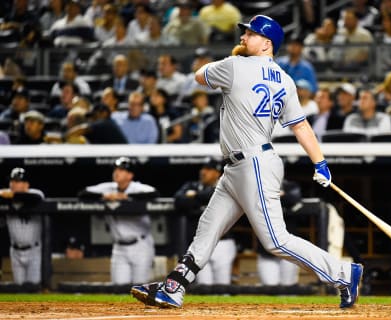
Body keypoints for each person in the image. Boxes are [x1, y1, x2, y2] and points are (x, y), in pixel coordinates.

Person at [131, 14, 362, 309]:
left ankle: (343, 273)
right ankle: (175, 286)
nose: (242, 38)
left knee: (276, 240)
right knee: (209, 226)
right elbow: (301, 126)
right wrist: (320, 163)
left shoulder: (236, 65)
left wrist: (233, 58)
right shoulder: (286, 80)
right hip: (242, 166)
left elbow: (199, 76)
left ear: (267, 43)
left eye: (250, 34)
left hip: (253, 163)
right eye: (245, 33)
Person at [78, 157, 159, 285]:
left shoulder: (137, 188)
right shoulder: (108, 188)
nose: (117, 172)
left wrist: (126, 197)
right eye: (116, 169)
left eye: (121, 170)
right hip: (119, 247)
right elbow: (82, 193)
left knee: (141, 287)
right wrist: (104, 196)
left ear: (130, 175)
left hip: (141, 246)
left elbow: (154, 194)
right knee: (118, 290)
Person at [174, 159, 236, 285]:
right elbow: (179, 201)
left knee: (223, 286)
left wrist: (195, 198)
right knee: (203, 285)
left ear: (217, 173)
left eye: (208, 169)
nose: (203, 172)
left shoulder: (228, 186)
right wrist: (201, 199)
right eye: (203, 168)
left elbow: (211, 196)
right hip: (200, 243)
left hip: (222, 243)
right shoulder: (191, 185)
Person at [0, 167, 45, 285]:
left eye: (17, 181)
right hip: (15, 251)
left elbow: (35, 198)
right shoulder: (5, 196)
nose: (13, 184)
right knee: (18, 289)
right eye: (11, 181)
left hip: (34, 251)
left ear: (26, 185)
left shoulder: (35, 195)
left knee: (33, 287)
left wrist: (10, 196)